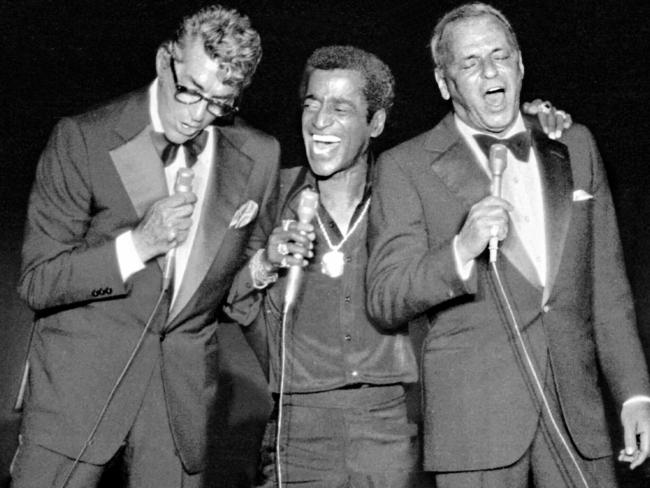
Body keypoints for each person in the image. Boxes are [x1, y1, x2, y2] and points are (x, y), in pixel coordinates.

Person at [226, 44, 572, 488]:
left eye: (341, 108)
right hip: (297, 430)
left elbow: (497, 162)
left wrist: (537, 124)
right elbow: (224, 298)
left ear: (376, 122)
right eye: (312, 105)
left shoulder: (411, 194)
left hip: (392, 426)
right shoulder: (272, 195)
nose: (319, 121)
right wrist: (264, 262)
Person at [365, 3, 650, 487]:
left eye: (499, 55)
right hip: (476, 426)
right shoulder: (403, 166)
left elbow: (609, 287)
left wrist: (635, 396)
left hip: (577, 421)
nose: (489, 71)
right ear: (444, 82)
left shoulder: (574, 143)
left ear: (520, 64)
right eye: (470, 62)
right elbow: (385, 296)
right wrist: (461, 248)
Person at [12, 5, 279, 488]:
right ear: (164, 60)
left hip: (178, 406)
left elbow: (225, 288)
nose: (198, 115)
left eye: (219, 102)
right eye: (190, 91)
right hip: (77, 397)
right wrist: (136, 246)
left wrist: (262, 266)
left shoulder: (258, 155)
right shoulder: (85, 139)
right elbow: (38, 281)